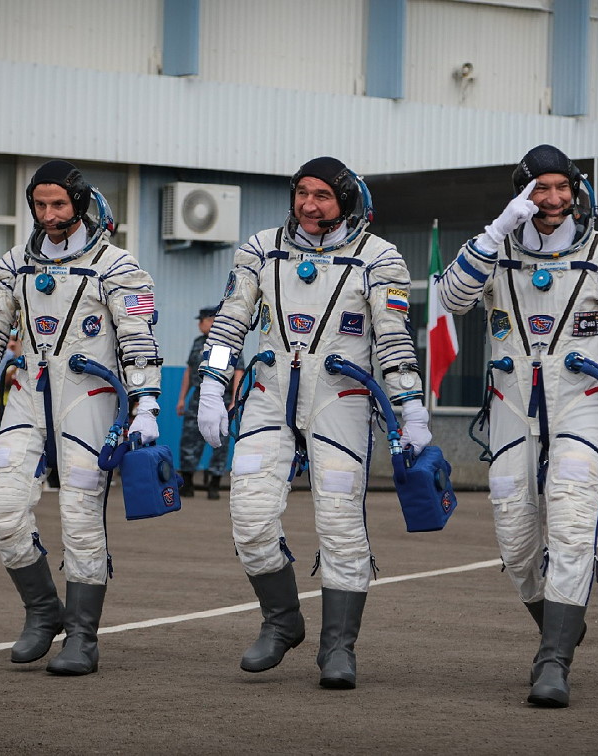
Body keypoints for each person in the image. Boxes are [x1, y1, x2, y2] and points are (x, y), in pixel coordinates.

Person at [435, 144, 598, 708]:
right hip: (512, 405)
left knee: (569, 522)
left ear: (577, 193)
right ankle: (560, 624)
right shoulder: (493, 253)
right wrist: (496, 233)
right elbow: (450, 298)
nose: (554, 200)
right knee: (516, 542)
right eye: (541, 189)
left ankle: (552, 660)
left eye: (563, 188)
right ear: (522, 193)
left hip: (582, 402)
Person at [196, 156, 429, 690]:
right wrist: (212, 384)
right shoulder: (260, 249)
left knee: (341, 524)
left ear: (346, 201)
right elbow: (231, 320)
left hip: (340, 398)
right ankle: (282, 622)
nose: (308, 204)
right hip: (268, 394)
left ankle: (338, 646)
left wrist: (410, 407)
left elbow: (394, 340)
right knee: (250, 514)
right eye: (302, 192)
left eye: (323, 195)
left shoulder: (379, 258)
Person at [0, 160, 163, 676]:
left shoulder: (118, 266)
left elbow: (139, 340)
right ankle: (42, 611)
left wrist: (146, 404)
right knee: (4, 509)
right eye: (40, 205)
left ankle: (83, 635)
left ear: (80, 204)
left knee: (79, 516)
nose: (48, 215)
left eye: (58, 204)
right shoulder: (14, 264)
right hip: (27, 394)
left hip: (88, 397)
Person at [176, 305, 237, 500]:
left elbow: (238, 372)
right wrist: (181, 399)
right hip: (196, 398)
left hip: (222, 398)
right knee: (189, 441)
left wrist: (234, 400)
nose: (199, 324)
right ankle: (187, 484)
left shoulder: (228, 343)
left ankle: (214, 485)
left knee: (220, 441)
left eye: (202, 320)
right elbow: (188, 371)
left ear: (211, 321)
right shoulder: (197, 343)